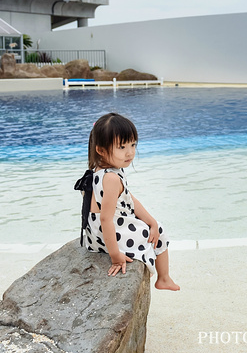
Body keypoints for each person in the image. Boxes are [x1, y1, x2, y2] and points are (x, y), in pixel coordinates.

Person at [74, 112, 179, 291]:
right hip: (108, 234)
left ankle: (159, 273)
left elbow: (130, 199)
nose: (130, 152)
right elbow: (106, 219)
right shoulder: (112, 178)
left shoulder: (97, 171)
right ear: (100, 150)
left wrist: (151, 220)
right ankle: (163, 278)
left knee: (153, 225)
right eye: (122, 147)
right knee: (159, 232)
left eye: (132, 144)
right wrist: (115, 255)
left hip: (94, 235)